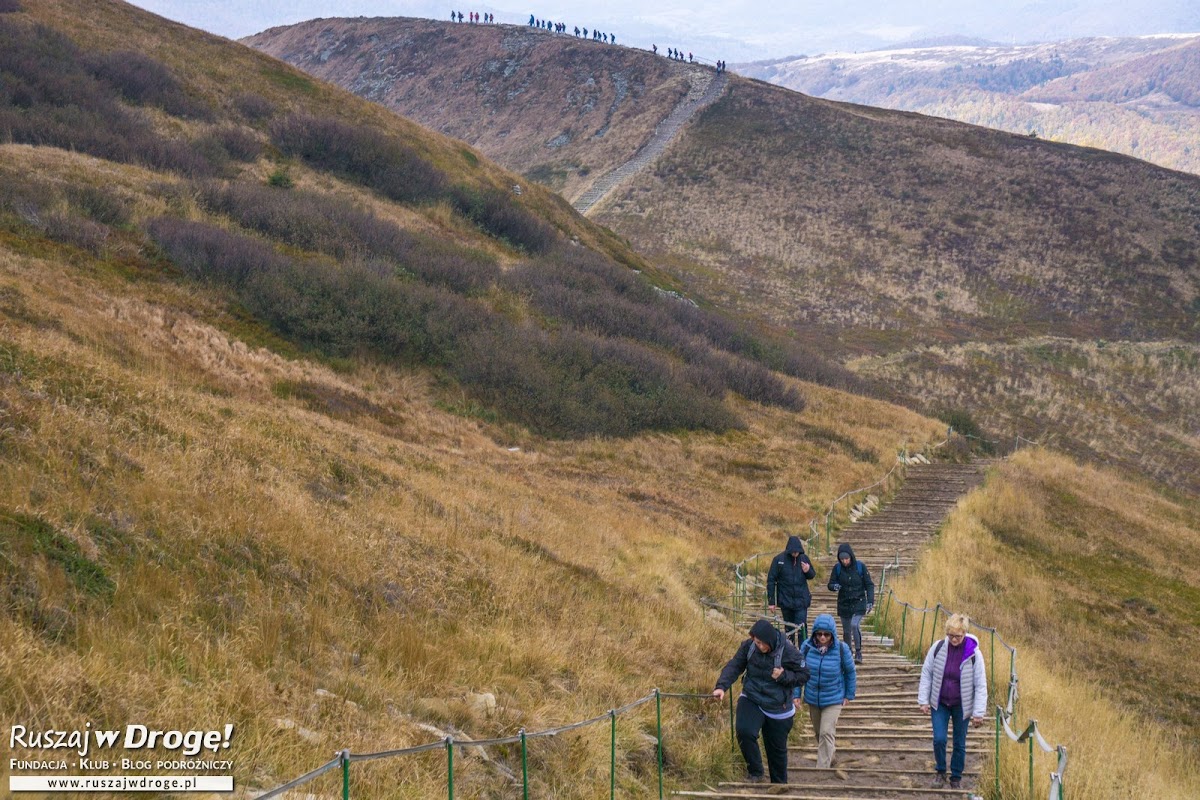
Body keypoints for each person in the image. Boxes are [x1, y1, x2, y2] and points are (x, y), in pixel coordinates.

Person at [712, 619, 809, 784]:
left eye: (762, 643)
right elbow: (735, 665)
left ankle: (779, 786)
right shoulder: (748, 647)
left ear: (770, 640)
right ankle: (755, 772)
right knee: (744, 731)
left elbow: (804, 675)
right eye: (756, 642)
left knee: (776, 750)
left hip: (779, 705)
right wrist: (721, 686)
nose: (759, 646)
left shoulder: (788, 651)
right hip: (752, 696)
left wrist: (784, 676)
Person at [918, 614, 988, 791]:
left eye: (958, 636)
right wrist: (923, 700)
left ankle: (956, 776)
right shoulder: (938, 647)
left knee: (959, 742)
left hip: (962, 704)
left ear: (965, 633)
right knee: (939, 739)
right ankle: (940, 771)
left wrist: (978, 712)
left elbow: (980, 684)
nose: (954, 639)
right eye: (951, 635)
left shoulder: (974, 654)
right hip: (939, 702)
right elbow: (927, 673)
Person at [796, 614, 856, 768]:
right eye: (819, 633)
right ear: (814, 633)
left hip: (834, 698)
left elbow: (850, 672)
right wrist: (796, 694)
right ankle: (831, 755)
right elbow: (798, 672)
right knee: (818, 732)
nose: (822, 637)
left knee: (826, 732)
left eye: (826, 634)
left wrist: (849, 694)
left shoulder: (842, 649)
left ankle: (821, 769)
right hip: (812, 697)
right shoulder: (806, 648)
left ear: (832, 635)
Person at [828, 543, 873, 664]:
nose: (845, 561)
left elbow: (869, 584)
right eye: (842, 559)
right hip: (844, 603)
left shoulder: (860, 567)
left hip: (859, 601)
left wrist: (870, 601)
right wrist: (834, 586)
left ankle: (858, 652)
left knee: (854, 625)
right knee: (846, 630)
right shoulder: (837, 568)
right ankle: (848, 653)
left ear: (851, 557)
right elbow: (830, 584)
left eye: (846, 558)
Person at [766, 534, 815, 645]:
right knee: (788, 628)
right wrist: (771, 602)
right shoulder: (778, 560)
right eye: (793, 552)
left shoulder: (804, 558)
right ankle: (790, 651)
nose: (795, 554)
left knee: (801, 627)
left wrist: (807, 570)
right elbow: (771, 580)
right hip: (785, 600)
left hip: (801, 600)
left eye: (797, 552)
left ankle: (803, 652)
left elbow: (812, 575)